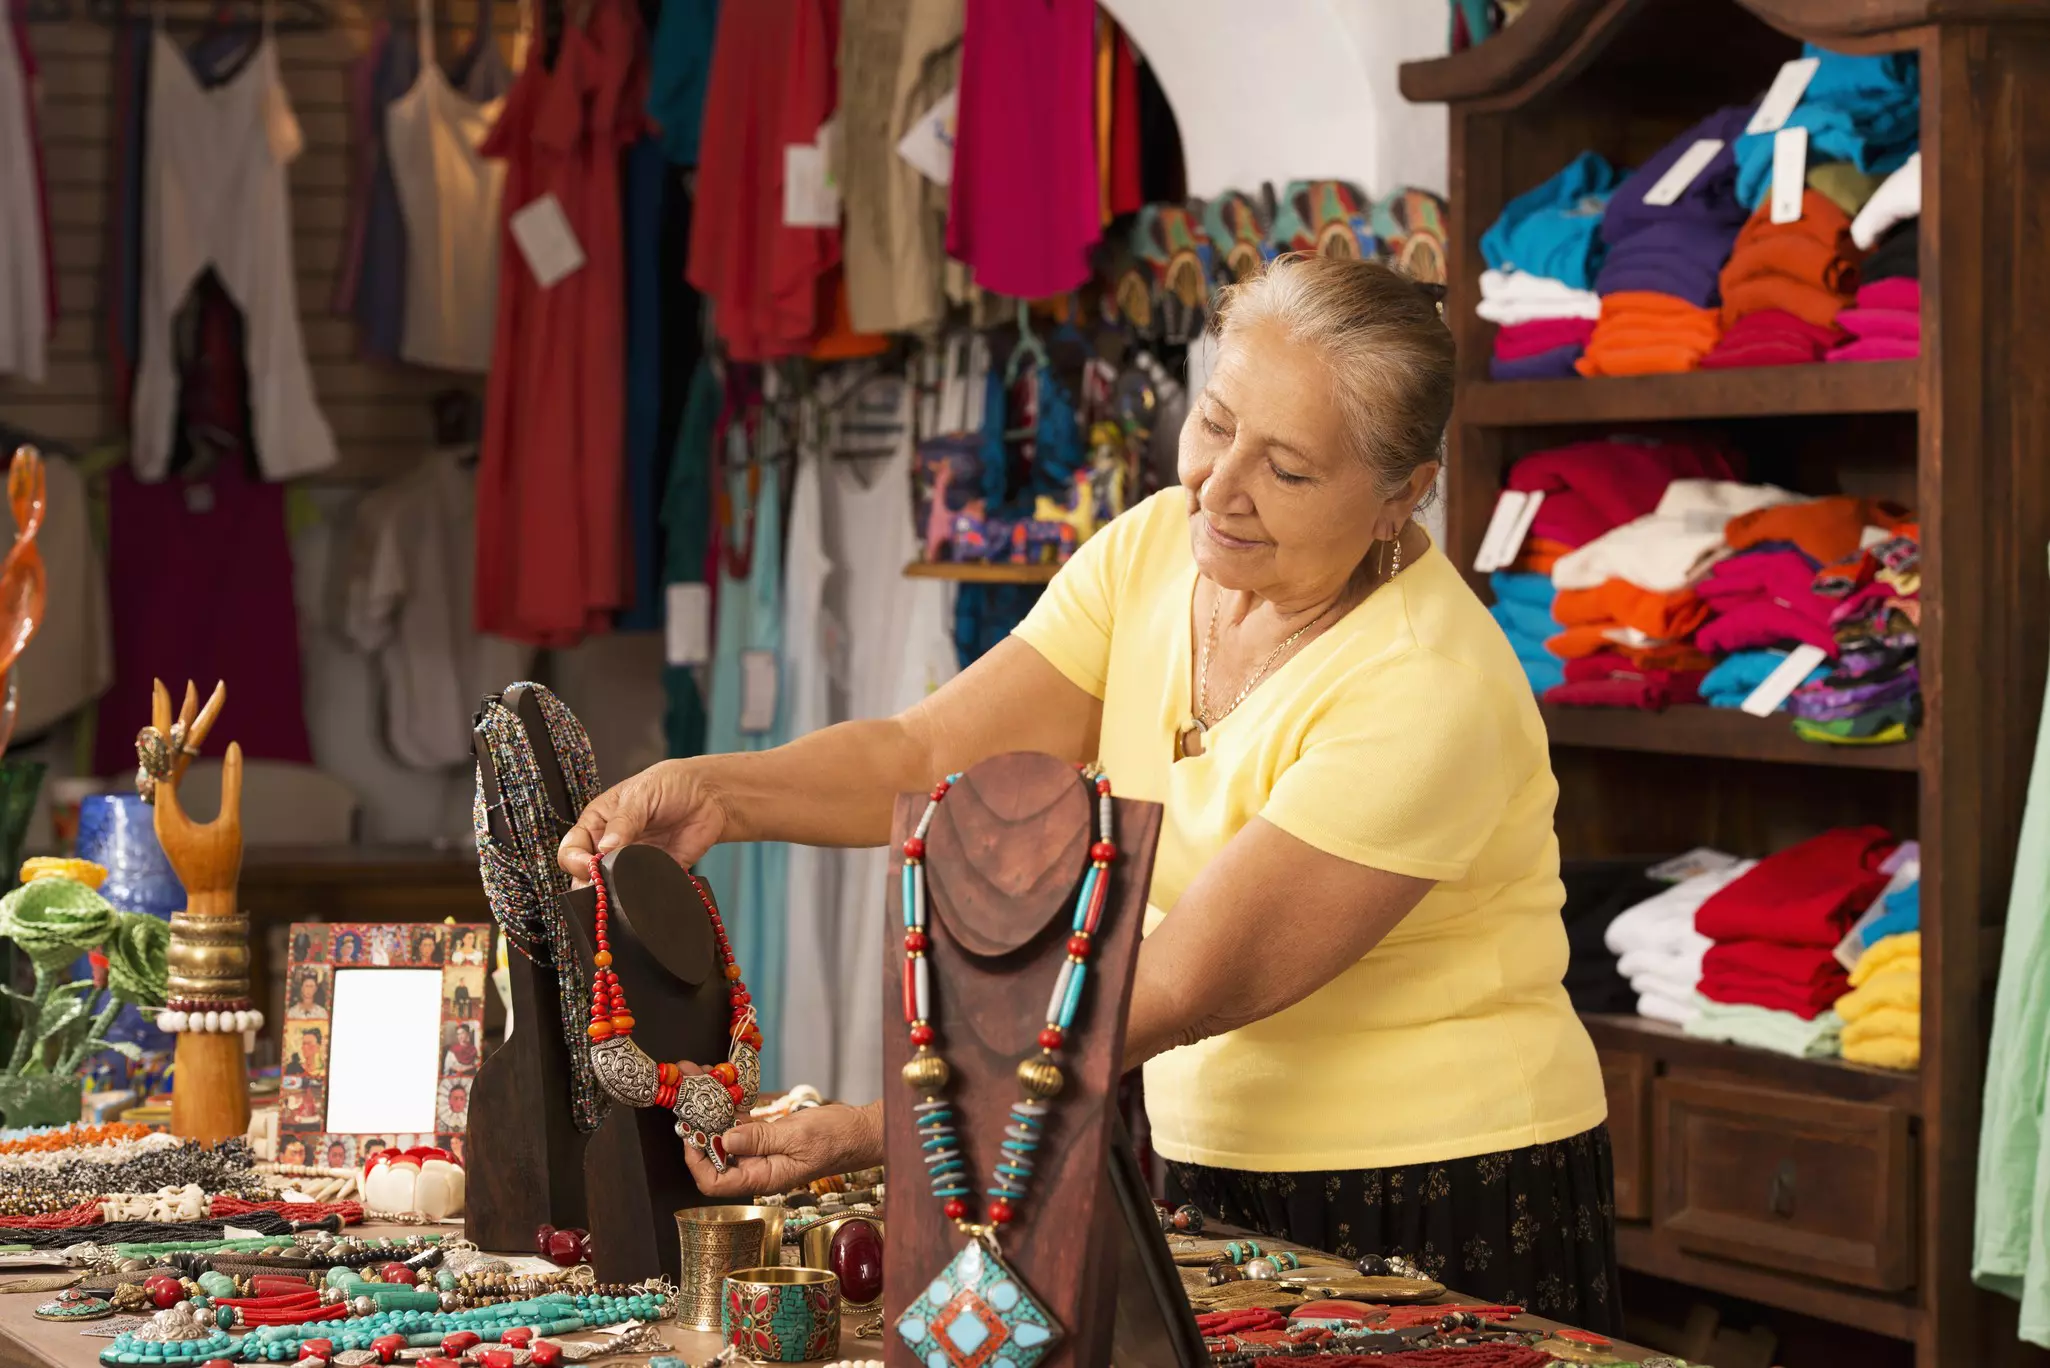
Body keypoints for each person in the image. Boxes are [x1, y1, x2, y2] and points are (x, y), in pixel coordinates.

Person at [561, 255, 1617, 1325]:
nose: (1217, 484)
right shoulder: (1159, 551)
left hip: (1436, 1186)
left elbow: (1173, 987)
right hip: (1204, 1168)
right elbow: (925, 752)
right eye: (1214, 424)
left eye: (1287, 470)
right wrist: (719, 794)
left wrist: (887, 1126)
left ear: (1402, 493)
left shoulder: (1427, 685)